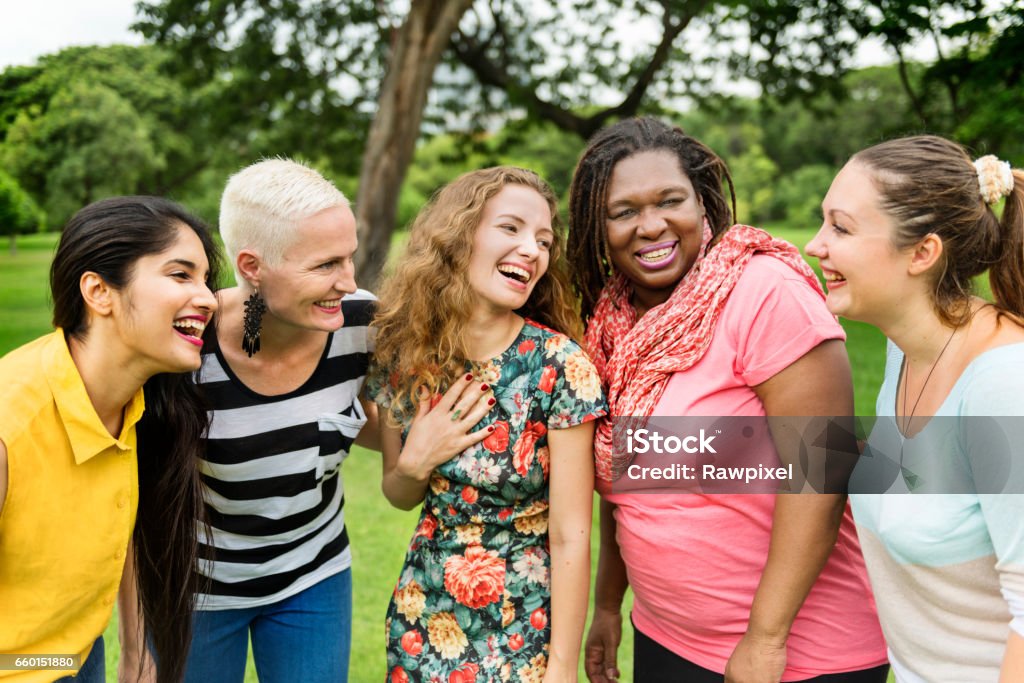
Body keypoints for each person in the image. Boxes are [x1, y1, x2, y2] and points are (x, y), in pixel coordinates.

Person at [567, 117, 889, 683]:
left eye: (671, 201)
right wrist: (608, 605)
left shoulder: (763, 291)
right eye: (623, 212)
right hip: (665, 637)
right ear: (598, 226)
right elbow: (628, 483)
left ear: (704, 205)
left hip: (796, 653)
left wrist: (765, 639)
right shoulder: (611, 326)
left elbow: (823, 472)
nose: (651, 226)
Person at [366, 166, 606, 682]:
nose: (533, 250)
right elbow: (399, 492)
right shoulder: (402, 353)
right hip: (422, 618)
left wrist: (561, 666)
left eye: (544, 240)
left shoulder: (559, 367)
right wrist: (416, 460)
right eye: (511, 228)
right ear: (459, 236)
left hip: (522, 628)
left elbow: (570, 535)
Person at [806, 135, 1024, 681]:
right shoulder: (906, 347)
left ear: (923, 253)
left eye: (841, 227)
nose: (815, 245)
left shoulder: (1003, 387)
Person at [0, 197, 219, 683]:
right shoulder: (10, 424)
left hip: (77, 656)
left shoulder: (136, 404)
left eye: (206, 279)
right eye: (181, 275)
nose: (208, 298)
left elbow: (123, 531)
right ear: (99, 292)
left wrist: (137, 656)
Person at [182, 159, 378, 683]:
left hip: (314, 577)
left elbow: (373, 424)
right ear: (252, 266)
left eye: (350, 258)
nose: (349, 281)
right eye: (326, 265)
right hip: (197, 589)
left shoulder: (362, 324)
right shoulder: (184, 347)